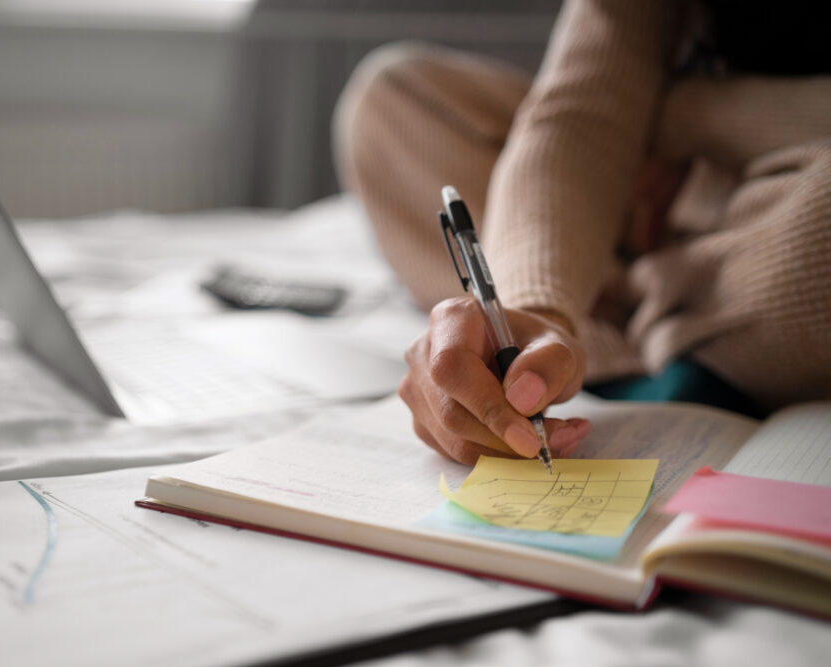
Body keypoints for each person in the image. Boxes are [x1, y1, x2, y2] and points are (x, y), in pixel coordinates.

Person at [333, 0, 831, 466]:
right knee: (393, 100)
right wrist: (535, 308)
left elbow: (607, 112)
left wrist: (670, 117)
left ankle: (619, 291)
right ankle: (661, 301)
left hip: (788, 183)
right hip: (650, 193)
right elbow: (579, 111)